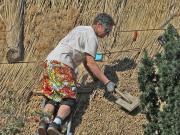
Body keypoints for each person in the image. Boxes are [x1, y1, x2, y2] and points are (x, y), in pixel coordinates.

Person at [37, 12, 116, 135]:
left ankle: (43, 123)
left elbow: (85, 62)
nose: (107, 34)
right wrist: (107, 81)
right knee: (68, 99)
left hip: (49, 63)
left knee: (52, 98)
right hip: (62, 65)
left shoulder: (80, 29)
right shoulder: (92, 37)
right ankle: (56, 124)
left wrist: (94, 77)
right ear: (99, 25)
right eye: (107, 30)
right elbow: (90, 62)